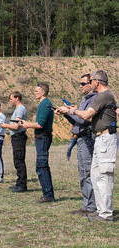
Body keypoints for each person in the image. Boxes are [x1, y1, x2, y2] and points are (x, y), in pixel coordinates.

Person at [58, 70, 117, 222]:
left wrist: (71, 110)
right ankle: (100, 211)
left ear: (97, 82)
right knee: (96, 176)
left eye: (91, 81)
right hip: (100, 138)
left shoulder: (103, 96)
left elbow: (86, 116)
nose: (90, 84)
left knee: (103, 177)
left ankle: (105, 214)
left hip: (105, 138)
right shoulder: (103, 97)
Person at [55, 74, 97, 216]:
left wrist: (69, 111)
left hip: (87, 138)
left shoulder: (93, 99)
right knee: (83, 173)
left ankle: (91, 207)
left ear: (91, 83)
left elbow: (85, 120)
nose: (80, 86)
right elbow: (77, 121)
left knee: (87, 173)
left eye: (83, 83)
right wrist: (66, 114)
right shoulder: (85, 100)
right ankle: (87, 205)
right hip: (81, 138)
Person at [19, 83, 55, 202]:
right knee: (41, 166)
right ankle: (47, 194)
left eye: (37, 91)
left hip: (43, 137)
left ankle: (48, 195)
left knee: (41, 166)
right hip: (41, 137)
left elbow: (40, 124)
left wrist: (27, 125)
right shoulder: (43, 104)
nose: (34, 92)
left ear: (43, 92)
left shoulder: (45, 104)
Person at [0, 91, 28, 192]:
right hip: (16, 137)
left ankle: (22, 185)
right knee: (17, 160)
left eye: (11, 99)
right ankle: (19, 183)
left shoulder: (20, 109)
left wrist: (5, 125)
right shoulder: (18, 109)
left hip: (19, 137)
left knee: (19, 160)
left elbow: (16, 126)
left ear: (17, 98)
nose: (10, 101)